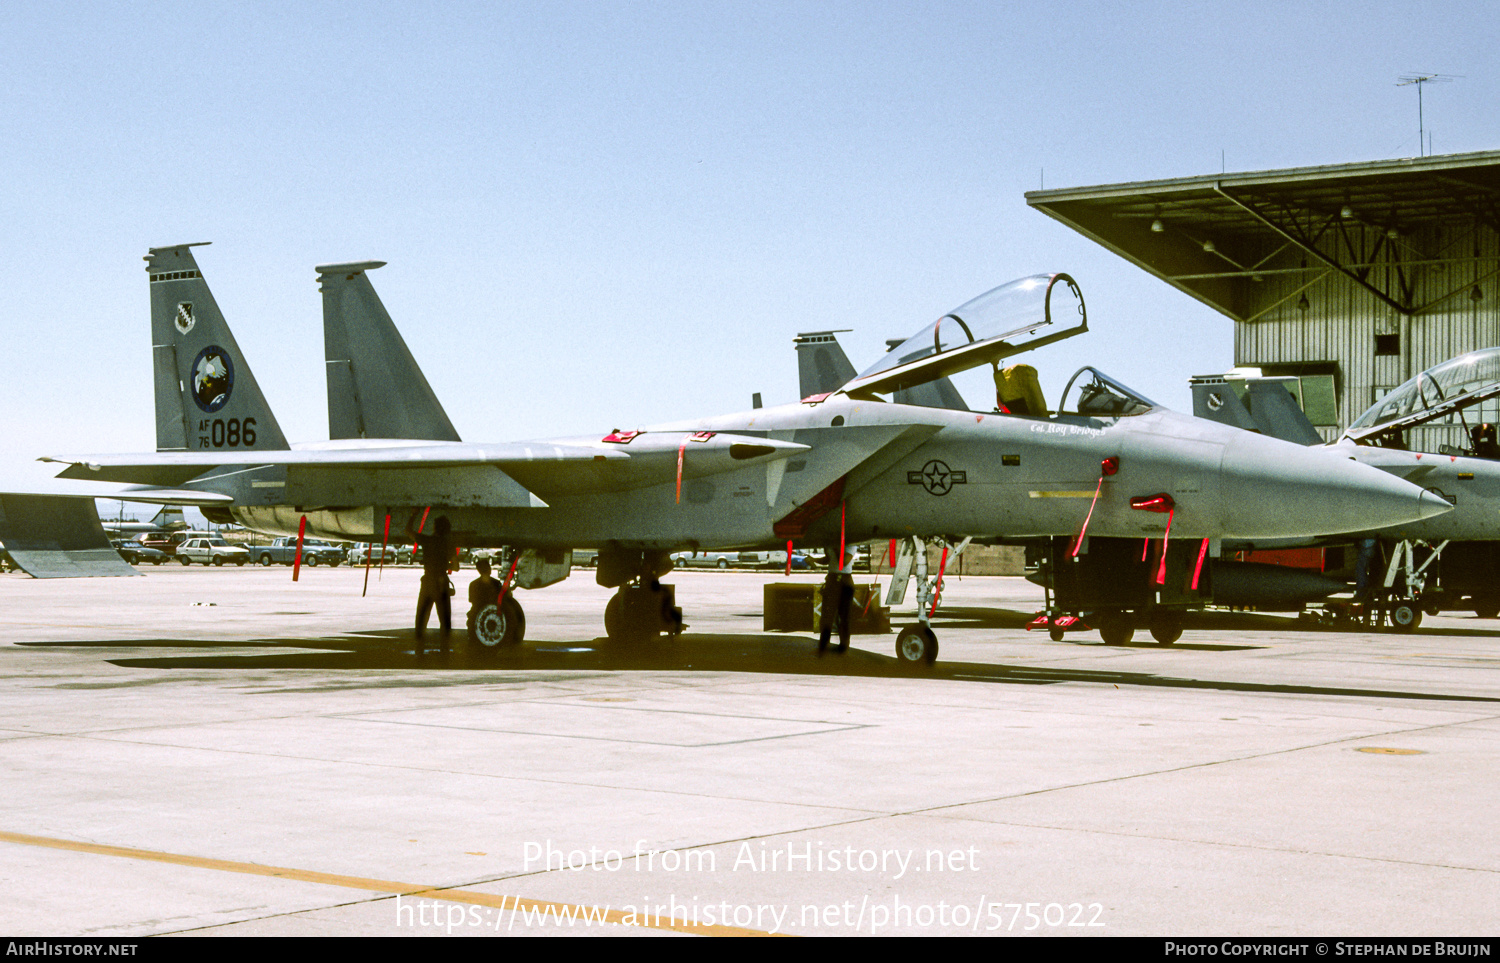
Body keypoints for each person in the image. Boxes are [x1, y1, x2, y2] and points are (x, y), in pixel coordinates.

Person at [410, 514, 454, 656]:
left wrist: (413, 514)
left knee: (422, 616)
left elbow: (407, 531)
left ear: (435, 527)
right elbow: (457, 566)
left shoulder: (427, 540)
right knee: (444, 618)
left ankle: (419, 648)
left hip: (428, 581)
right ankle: (445, 650)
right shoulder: (448, 544)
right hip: (442, 582)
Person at [818, 549, 855, 654]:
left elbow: (844, 561)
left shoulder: (849, 544)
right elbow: (828, 559)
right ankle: (824, 645)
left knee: (844, 616)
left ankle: (843, 647)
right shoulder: (830, 542)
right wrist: (814, 560)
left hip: (844, 579)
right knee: (827, 615)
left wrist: (836, 547)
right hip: (832, 579)